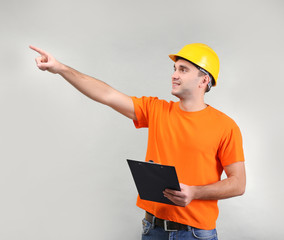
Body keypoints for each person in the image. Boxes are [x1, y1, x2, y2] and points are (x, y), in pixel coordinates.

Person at [30, 43, 246, 240]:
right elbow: (107, 95)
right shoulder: (157, 110)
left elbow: (238, 183)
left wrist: (195, 192)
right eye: (174, 69)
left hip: (196, 234)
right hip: (153, 229)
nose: (174, 75)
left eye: (183, 69)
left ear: (204, 80)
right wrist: (60, 68)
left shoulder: (225, 126)